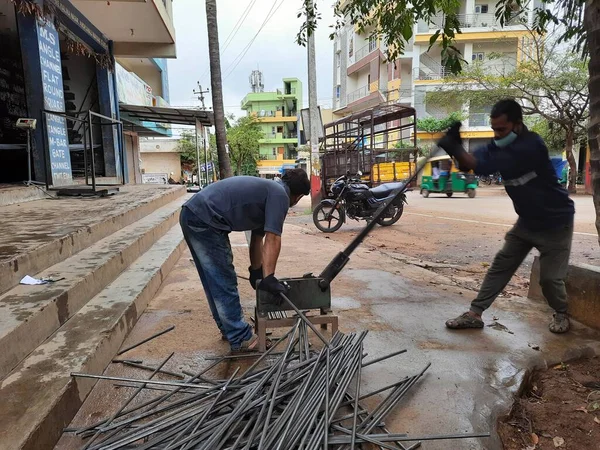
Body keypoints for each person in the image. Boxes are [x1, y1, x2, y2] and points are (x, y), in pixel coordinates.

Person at [437, 99, 575, 333]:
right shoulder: (498, 145)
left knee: (550, 279)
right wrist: (456, 148)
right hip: (527, 223)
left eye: (501, 129)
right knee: (501, 266)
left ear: (517, 125)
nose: (497, 134)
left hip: (556, 223)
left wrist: (455, 147)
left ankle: (561, 313)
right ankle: (474, 314)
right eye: (494, 129)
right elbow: (471, 163)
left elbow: (479, 166)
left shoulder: (531, 146)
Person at [179, 169, 311, 351]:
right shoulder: (280, 195)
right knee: (223, 279)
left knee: (214, 281)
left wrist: (256, 271)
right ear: (297, 197)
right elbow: (273, 238)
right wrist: (269, 278)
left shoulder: (269, 191)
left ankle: (230, 329)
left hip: (194, 214)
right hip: (204, 219)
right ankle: (241, 338)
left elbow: (258, 238)